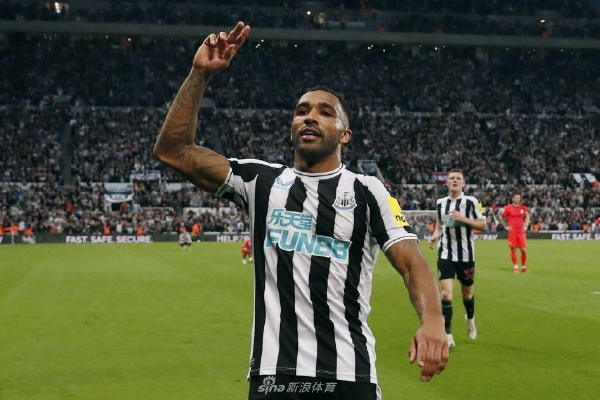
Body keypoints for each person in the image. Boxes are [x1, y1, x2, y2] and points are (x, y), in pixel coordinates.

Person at [153, 21, 448, 400]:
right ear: (292, 127)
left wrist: (433, 320)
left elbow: (411, 263)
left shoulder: (367, 190)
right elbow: (173, 150)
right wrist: (199, 75)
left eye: (325, 112)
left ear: (345, 134)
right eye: (302, 111)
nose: (310, 116)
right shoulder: (260, 181)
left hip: (348, 374)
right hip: (275, 377)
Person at [427, 169, 486, 349]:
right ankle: (448, 334)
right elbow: (440, 225)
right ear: (446, 183)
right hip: (445, 254)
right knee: (446, 294)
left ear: (463, 183)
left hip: (466, 256)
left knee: (467, 294)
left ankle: (470, 318)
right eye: (451, 178)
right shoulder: (440, 203)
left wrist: (463, 218)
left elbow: (483, 225)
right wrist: (434, 236)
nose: (454, 180)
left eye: (458, 178)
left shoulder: (472, 202)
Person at [498, 193, 531, 273]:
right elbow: (500, 216)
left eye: (519, 198)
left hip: (521, 231)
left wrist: (526, 225)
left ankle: (523, 267)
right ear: (512, 199)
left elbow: (527, 216)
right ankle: (516, 267)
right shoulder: (508, 208)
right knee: (514, 249)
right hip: (512, 231)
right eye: (516, 198)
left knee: (523, 250)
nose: (518, 199)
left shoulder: (523, 207)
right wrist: (505, 226)